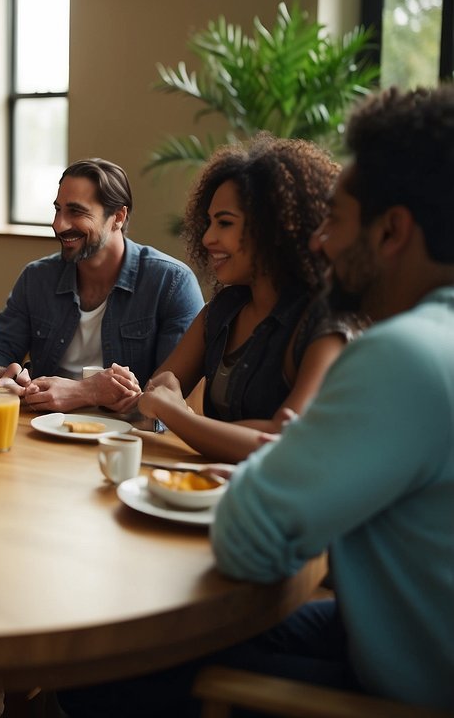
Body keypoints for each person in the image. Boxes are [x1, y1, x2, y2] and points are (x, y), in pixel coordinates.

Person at [60, 85, 454, 715]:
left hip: (397, 687)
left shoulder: (402, 355)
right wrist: (281, 453)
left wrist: (267, 460)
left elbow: (249, 541)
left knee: (98, 669)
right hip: (373, 638)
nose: (321, 244)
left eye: (338, 224)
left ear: (393, 231)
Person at [135, 136, 358, 462]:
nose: (208, 237)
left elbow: (284, 444)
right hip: (206, 490)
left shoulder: (325, 322)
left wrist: (179, 416)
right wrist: (164, 391)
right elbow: (152, 398)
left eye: (225, 223)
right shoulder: (221, 310)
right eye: (209, 222)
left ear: (275, 226)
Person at [0, 158, 202, 412]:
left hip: (128, 439)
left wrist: (85, 392)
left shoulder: (171, 283)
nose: (58, 224)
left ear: (117, 217)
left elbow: (171, 397)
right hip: (42, 428)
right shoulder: (36, 278)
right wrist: (5, 377)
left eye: (76, 211)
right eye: (57, 210)